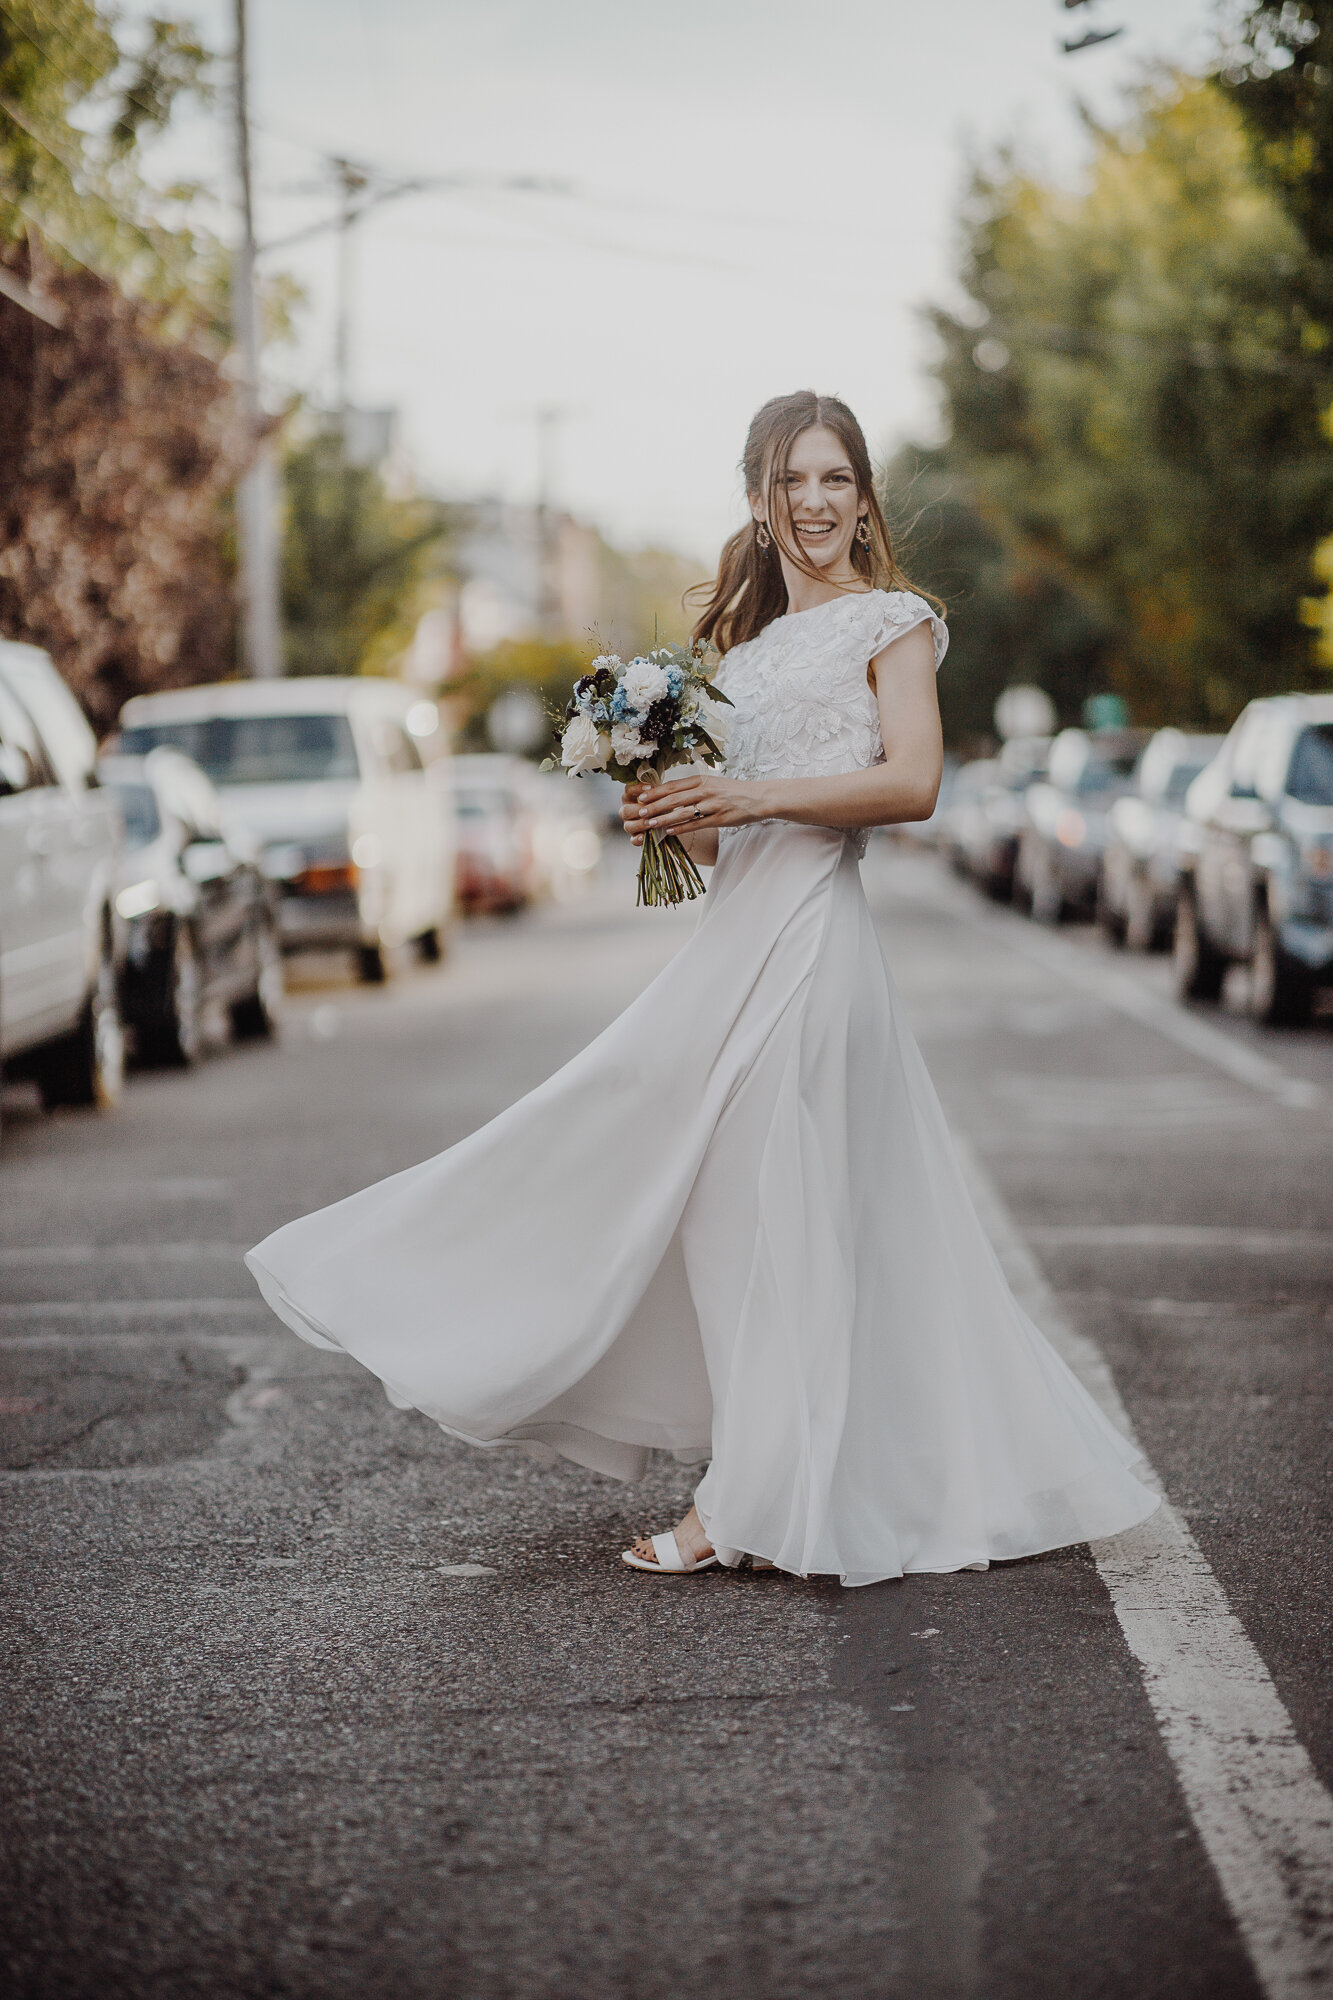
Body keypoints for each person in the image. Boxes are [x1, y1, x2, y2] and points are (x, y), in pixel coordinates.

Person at [246, 391, 1157, 1587]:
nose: (816, 503)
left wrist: (749, 797)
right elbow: (733, 839)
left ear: (864, 497)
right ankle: (774, 1466)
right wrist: (675, 806)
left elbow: (914, 782)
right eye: (792, 483)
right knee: (726, 1212)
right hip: (734, 937)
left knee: (760, 1211)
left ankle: (747, 1499)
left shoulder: (893, 621)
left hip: (814, 948)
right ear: (757, 502)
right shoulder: (749, 653)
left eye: (835, 479)